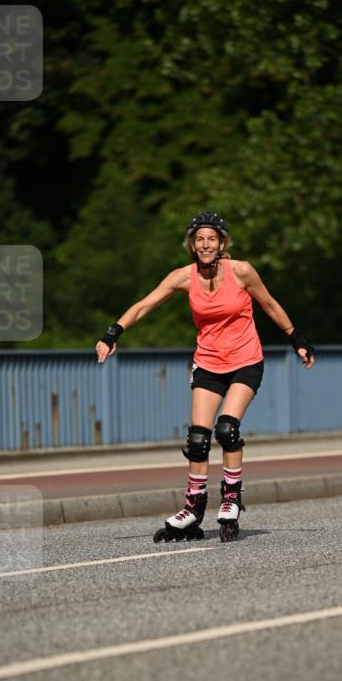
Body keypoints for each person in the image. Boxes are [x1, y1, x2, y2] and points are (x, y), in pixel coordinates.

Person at [95, 211, 315, 540]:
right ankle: (193, 508)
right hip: (209, 363)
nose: (205, 244)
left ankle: (231, 499)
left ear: (222, 243)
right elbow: (145, 304)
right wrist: (112, 334)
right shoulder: (183, 277)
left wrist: (297, 339)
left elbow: (269, 304)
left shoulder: (241, 272)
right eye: (199, 239)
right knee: (198, 440)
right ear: (192, 245)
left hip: (245, 361)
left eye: (211, 238)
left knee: (226, 429)